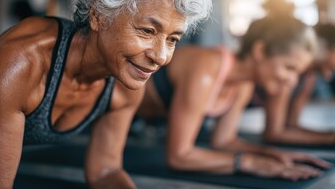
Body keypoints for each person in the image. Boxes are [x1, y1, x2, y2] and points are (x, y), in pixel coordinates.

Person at [0, 0, 213, 188]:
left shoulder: (126, 85)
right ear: (98, 15)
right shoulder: (24, 62)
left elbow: (105, 172)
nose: (161, 56)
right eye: (147, 31)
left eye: (172, 39)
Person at [137, 10, 331, 181]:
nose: (292, 81)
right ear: (260, 51)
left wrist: (272, 154)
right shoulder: (208, 68)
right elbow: (179, 156)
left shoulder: (243, 86)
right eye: (289, 68)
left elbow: (224, 141)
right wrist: (252, 163)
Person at [262, 22, 335, 145]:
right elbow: (274, 133)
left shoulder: (309, 78)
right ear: (322, 48)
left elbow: (291, 126)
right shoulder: (287, 74)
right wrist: (331, 138)